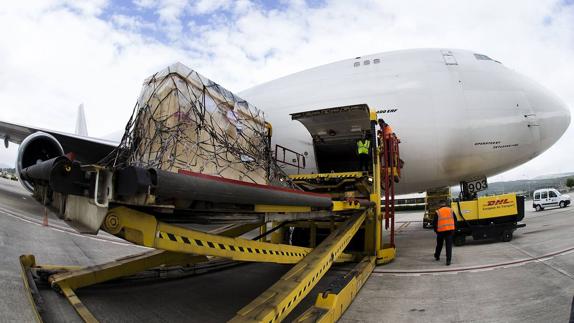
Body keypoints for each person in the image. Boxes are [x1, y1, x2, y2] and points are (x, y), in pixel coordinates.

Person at [433, 200, 457, 265]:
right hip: (450, 231)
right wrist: (453, 229)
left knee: (439, 244)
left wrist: (436, 231)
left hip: (441, 231)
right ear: (445, 204)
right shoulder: (451, 210)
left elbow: (434, 223)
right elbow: (455, 220)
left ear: (439, 204)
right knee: (448, 246)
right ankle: (448, 260)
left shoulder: (437, 212)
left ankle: (437, 256)